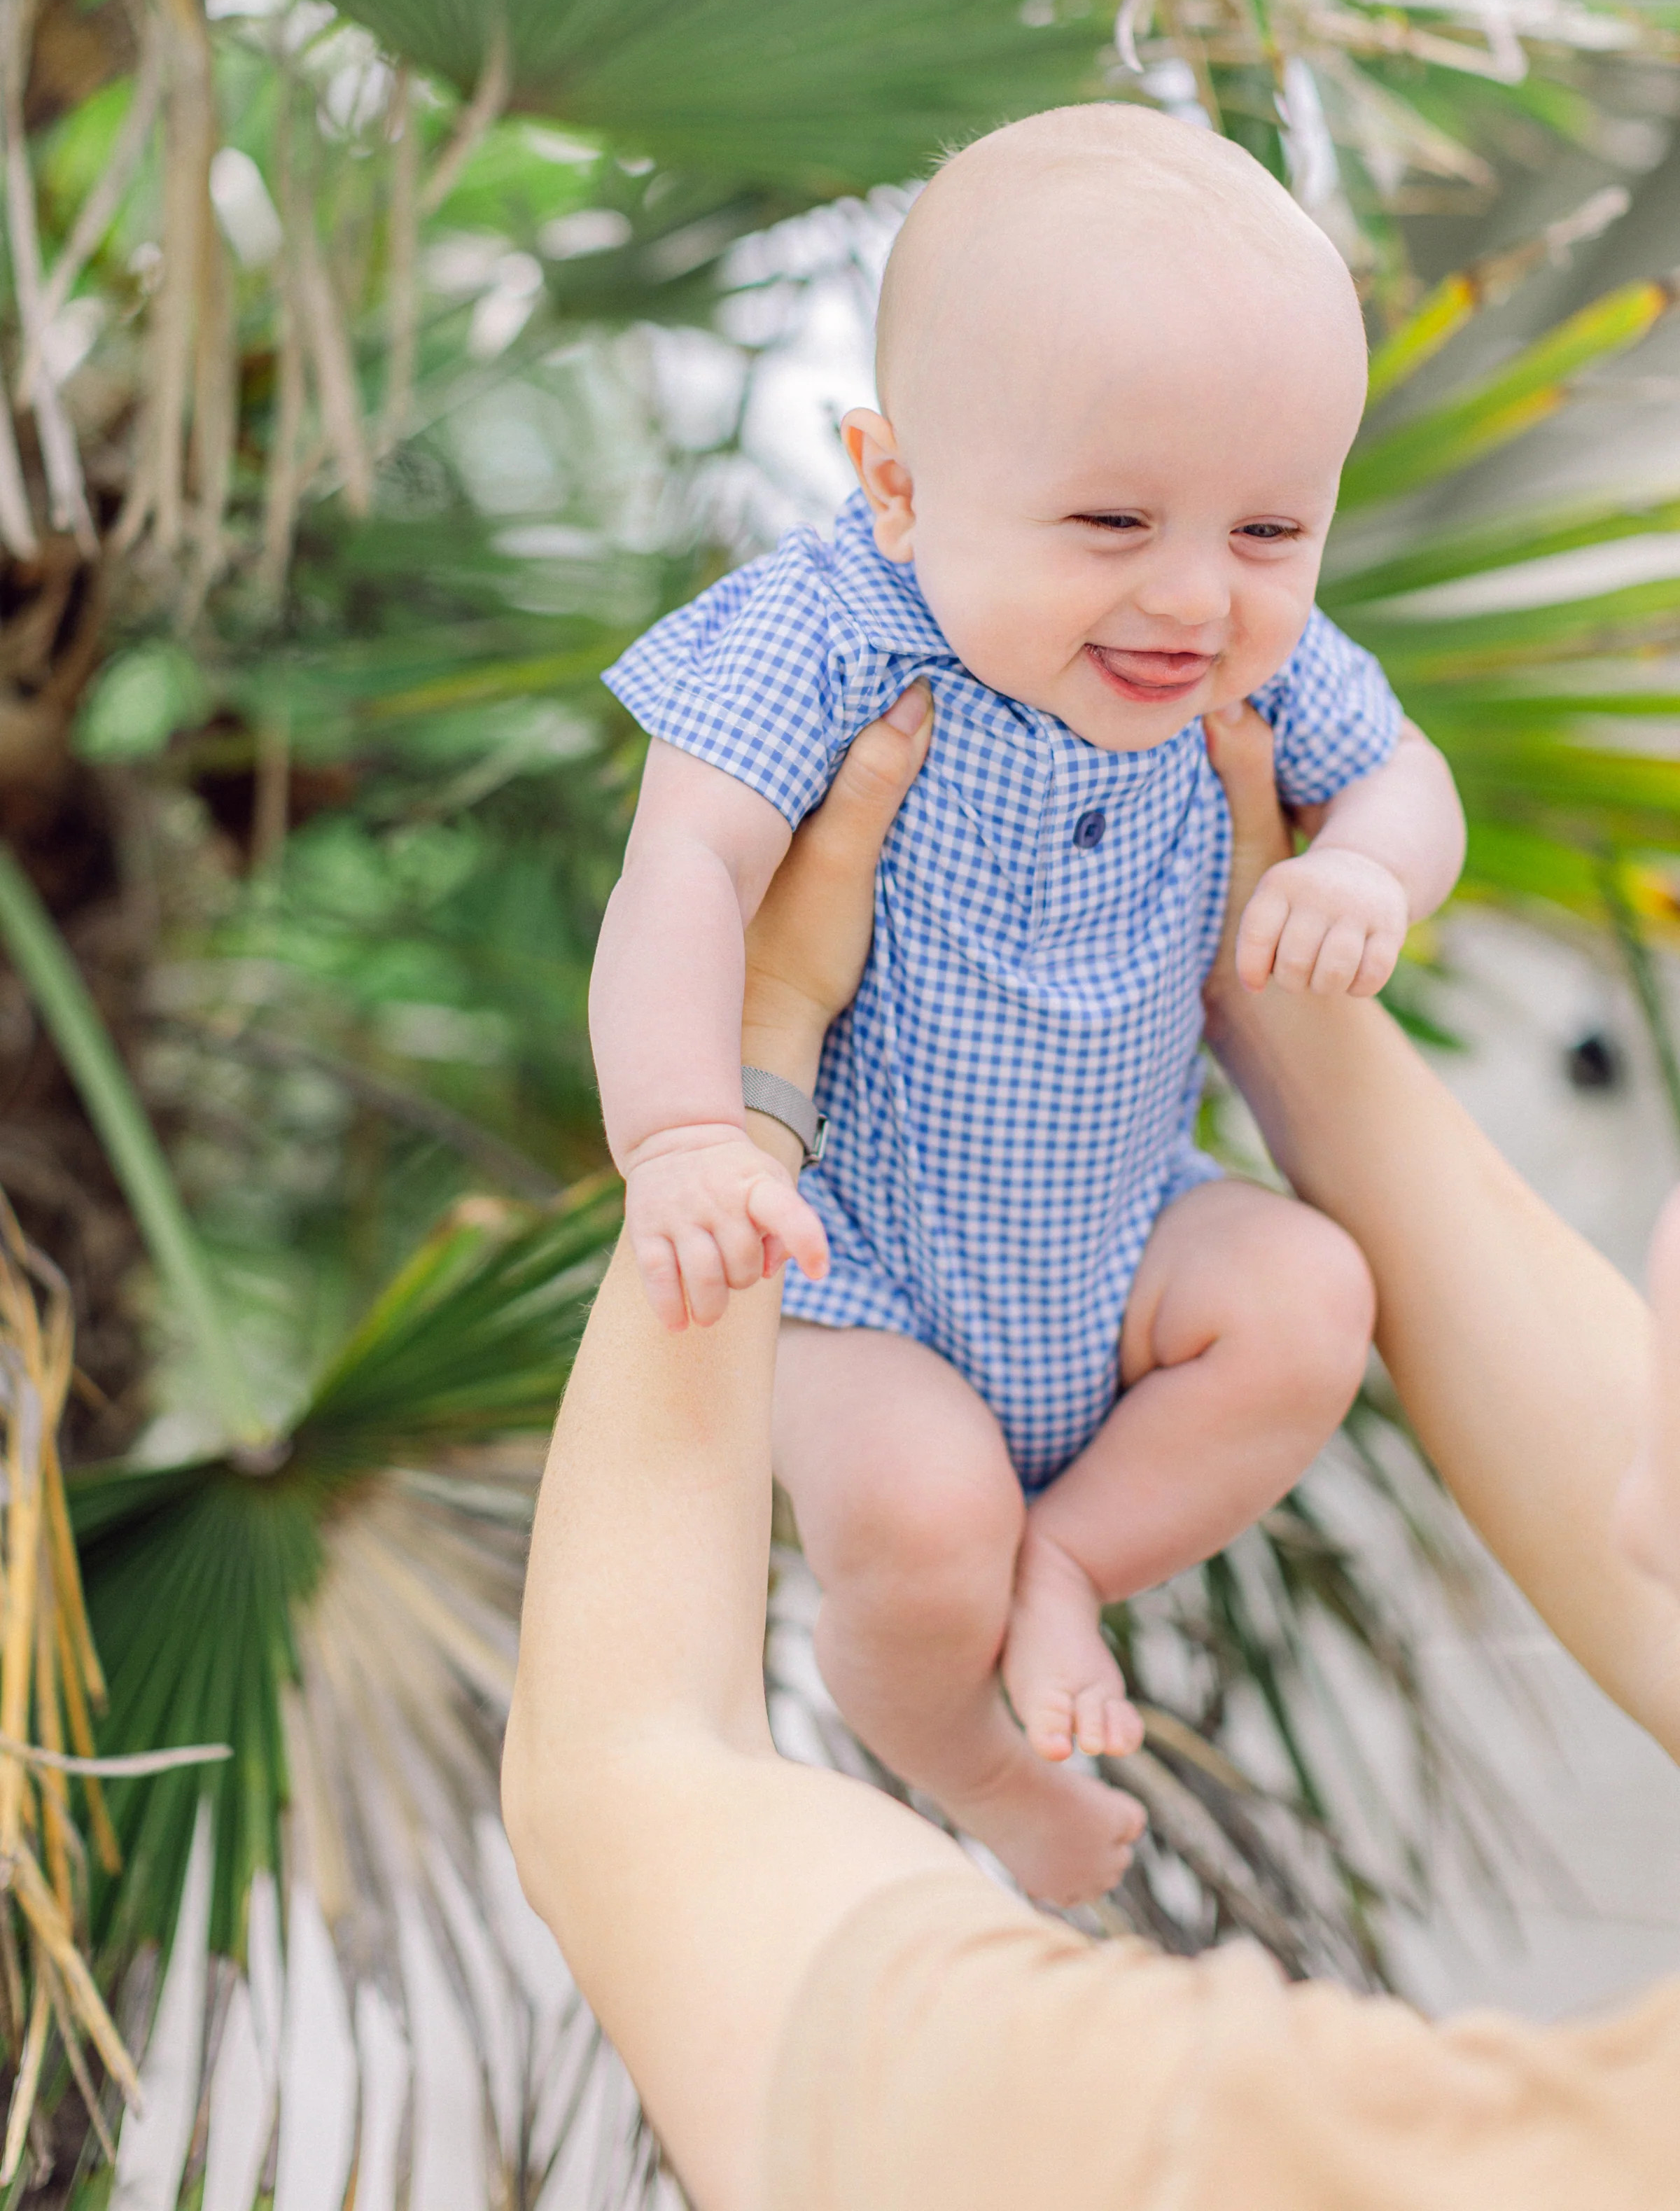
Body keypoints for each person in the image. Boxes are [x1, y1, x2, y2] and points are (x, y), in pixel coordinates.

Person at [505, 692, 1680, 2211]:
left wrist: (757, 1054)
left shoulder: (1286, 2156)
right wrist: (1271, 988)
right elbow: (1610, 1492)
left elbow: (627, 1775)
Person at [588, 106, 1466, 1898]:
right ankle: (972, 1759)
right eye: (1112, 519)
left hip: (1129, 1232)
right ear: (898, 484)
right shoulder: (833, 629)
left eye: (1272, 526)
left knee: (1308, 1301)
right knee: (920, 1524)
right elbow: (683, 860)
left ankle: (1070, 1561)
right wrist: (685, 1133)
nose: (1195, 593)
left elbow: (1409, 780)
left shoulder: (1250, 652)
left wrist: (1363, 869)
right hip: (866, 1281)